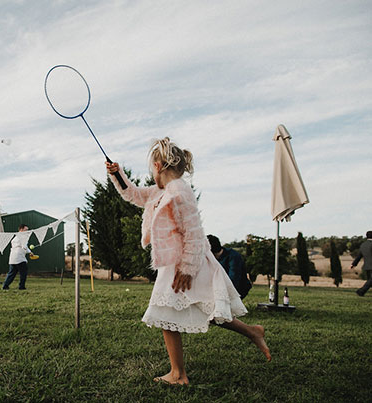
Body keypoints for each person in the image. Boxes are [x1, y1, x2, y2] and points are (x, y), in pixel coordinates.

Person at [106, 137, 270, 386]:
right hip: (176, 262)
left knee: (166, 313)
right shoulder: (160, 191)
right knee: (205, 308)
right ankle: (252, 331)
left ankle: (178, 374)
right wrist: (117, 175)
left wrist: (187, 268)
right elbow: (134, 194)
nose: (152, 175)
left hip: (186, 263)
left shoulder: (179, 191)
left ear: (158, 166)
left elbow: (194, 232)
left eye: (152, 169)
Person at [207, 235, 252, 299]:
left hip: (238, 288)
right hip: (221, 287)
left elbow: (234, 279)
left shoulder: (233, 257)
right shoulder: (211, 259)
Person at [2, 224, 33, 290]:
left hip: (13, 257)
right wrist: (30, 252)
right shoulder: (23, 237)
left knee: (11, 273)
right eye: (26, 229)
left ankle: (5, 285)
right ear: (21, 229)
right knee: (23, 273)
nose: (27, 231)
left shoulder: (15, 237)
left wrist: (29, 251)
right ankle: (21, 286)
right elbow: (24, 246)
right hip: (19, 258)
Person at [351, 231, 372, 296]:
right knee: (370, 281)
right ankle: (361, 291)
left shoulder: (363, 245)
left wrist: (354, 264)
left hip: (366, 266)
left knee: (370, 281)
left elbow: (359, 256)